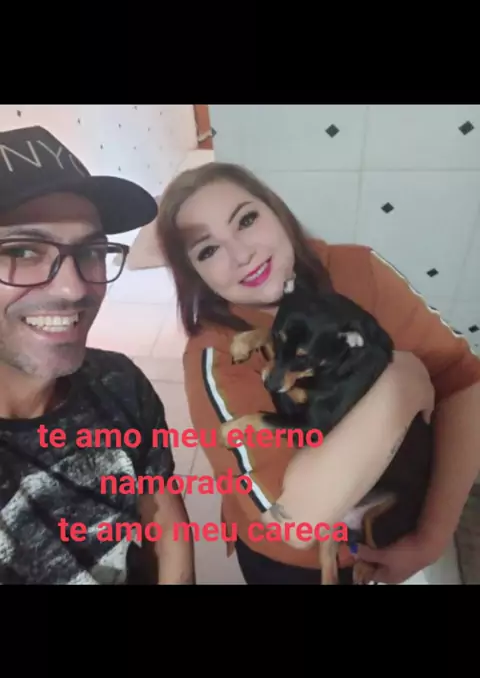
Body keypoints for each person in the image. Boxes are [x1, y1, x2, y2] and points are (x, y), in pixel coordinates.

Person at [157, 161, 480, 585]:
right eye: (207, 250)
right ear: (194, 275)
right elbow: (295, 521)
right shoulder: (217, 356)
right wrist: (403, 380)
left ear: (277, 211)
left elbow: (462, 379)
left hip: (391, 527)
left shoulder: (356, 270)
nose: (242, 255)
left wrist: (431, 537)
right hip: (293, 566)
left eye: (247, 220)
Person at [0, 125, 195, 585]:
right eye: (22, 250)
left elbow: (163, 513)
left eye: (91, 250)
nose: (74, 288)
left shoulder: (118, 381)